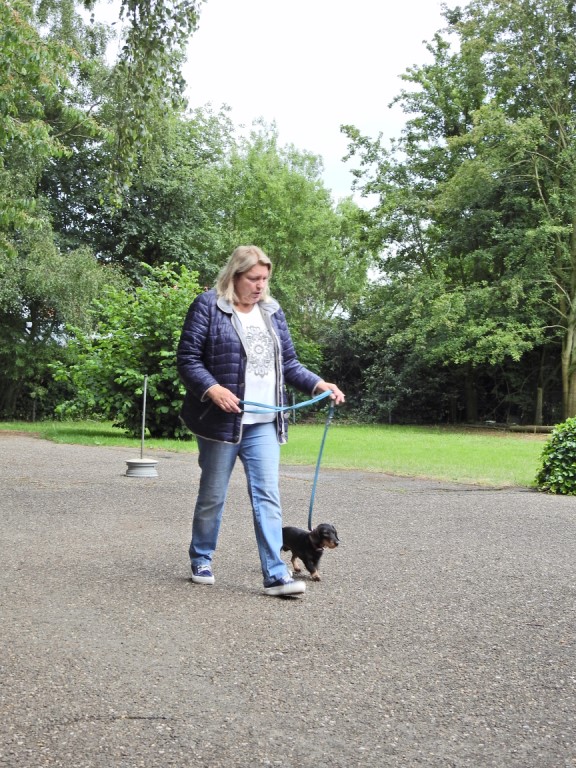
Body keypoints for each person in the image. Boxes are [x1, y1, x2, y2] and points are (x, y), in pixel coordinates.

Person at [177, 245, 345, 597]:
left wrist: (318, 384)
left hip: (265, 422)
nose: (260, 286)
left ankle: (275, 574)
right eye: (253, 278)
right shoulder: (207, 306)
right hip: (220, 424)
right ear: (234, 275)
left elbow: (290, 364)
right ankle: (201, 558)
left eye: (265, 279)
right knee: (212, 496)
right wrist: (212, 389)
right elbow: (188, 359)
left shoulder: (271, 311)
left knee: (268, 497)